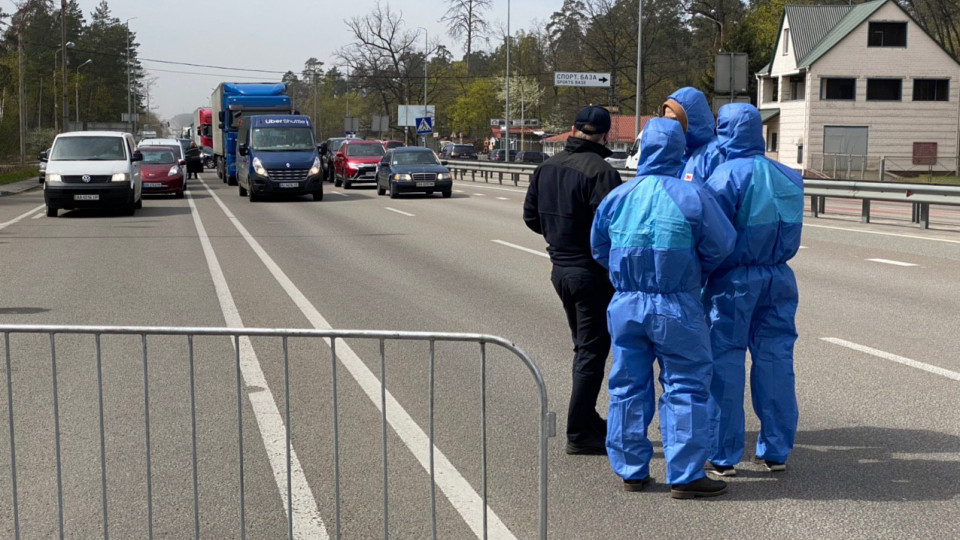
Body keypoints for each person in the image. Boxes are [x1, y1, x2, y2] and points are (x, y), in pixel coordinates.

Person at [591, 118, 735, 497]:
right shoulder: (694, 195)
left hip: (627, 303)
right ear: (678, 150)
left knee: (626, 384)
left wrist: (630, 278)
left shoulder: (619, 197)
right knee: (686, 384)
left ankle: (631, 470)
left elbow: (600, 249)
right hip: (677, 304)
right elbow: (720, 246)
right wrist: (691, 274)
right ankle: (685, 474)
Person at [701, 104, 803, 477]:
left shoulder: (725, 177)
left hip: (734, 280)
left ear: (725, 131)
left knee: (725, 362)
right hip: (779, 276)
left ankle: (723, 454)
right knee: (776, 360)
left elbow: (711, 235)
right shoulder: (789, 176)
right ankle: (776, 449)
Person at [523, 105, 623, 455]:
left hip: (560, 270)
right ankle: (579, 431)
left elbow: (531, 218)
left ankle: (587, 418)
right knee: (592, 351)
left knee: (584, 347)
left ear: (572, 129)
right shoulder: (601, 172)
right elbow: (614, 229)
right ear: (606, 134)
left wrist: (560, 235)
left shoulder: (545, 167)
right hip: (591, 274)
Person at [660, 87, 721, 185]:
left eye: (674, 120)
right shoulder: (679, 152)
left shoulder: (715, 154)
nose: (669, 126)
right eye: (665, 120)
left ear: (692, 120)